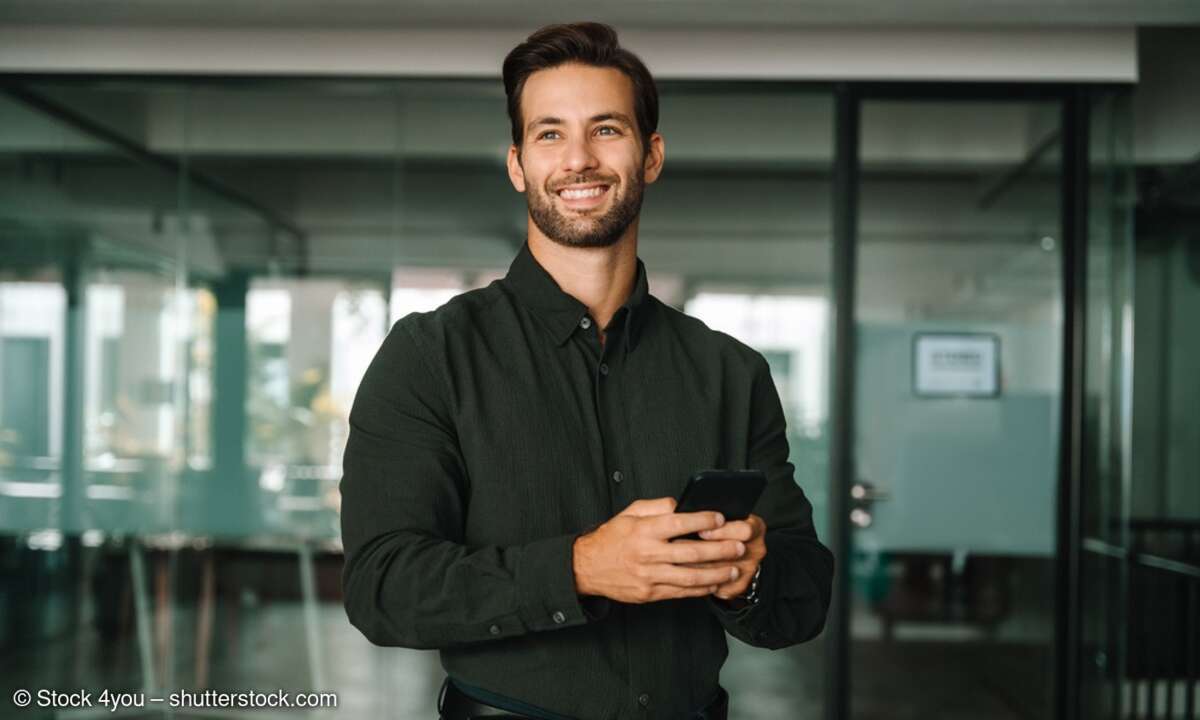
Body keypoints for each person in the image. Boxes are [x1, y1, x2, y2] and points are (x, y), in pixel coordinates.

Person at [340, 21, 835, 720]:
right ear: (517, 165)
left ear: (651, 154)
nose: (579, 159)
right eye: (550, 134)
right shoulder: (430, 356)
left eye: (606, 130)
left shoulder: (730, 371)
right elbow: (381, 586)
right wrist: (580, 569)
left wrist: (748, 575)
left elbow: (804, 596)